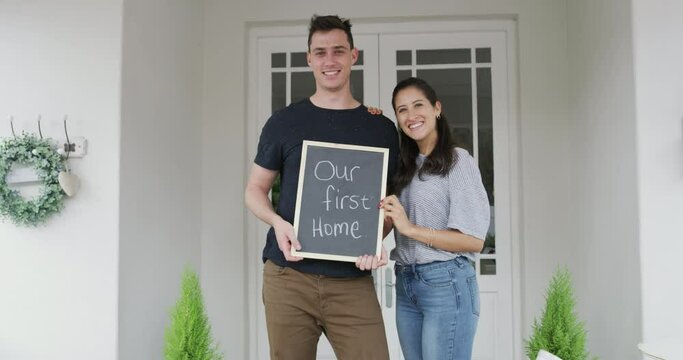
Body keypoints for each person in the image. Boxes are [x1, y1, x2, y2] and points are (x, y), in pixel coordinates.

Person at [244, 15, 399, 360]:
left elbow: (388, 206)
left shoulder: (381, 129)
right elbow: (255, 189)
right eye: (321, 52)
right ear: (309, 59)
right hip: (289, 277)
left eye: (338, 51)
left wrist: (376, 238)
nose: (330, 61)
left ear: (354, 56)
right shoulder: (284, 122)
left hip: (351, 281)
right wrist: (277, 223)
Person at [381, 77, 490, 360]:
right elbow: (391, 224)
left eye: (418, 105)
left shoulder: (457, 161)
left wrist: (410, 228)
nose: (411, 115)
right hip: (406, 283)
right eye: (402, 109)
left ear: (436, 108)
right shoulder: (403, 166)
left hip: (446, 282)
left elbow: (473, 240)